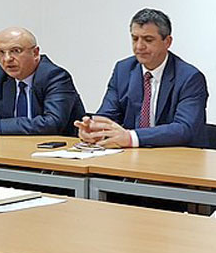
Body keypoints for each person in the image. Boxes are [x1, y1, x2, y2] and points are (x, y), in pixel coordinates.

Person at [75, 8, 208, 148]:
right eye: (135, 39)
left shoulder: (189, 78)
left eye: (148, 40)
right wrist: (94, 130)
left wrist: (132, 137)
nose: (139, 46)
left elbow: (184, 128)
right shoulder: (123, 70)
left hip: (176, 155)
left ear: (167, 42)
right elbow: (108, 115)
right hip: (132, 155)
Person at [0, 27, 84, 135]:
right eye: (1, 52)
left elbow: (53, 123)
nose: (7, 59)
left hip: (56, 144)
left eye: (16, 51)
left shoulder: (55, 76)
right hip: (12, 144)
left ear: (35, 53)